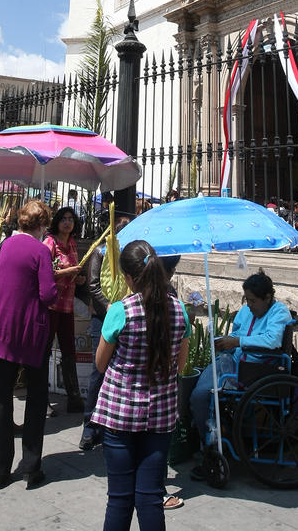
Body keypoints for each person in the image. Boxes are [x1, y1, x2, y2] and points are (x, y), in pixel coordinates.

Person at [90, 240, 190, 531]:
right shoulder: (179, 310)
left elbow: (99, 363)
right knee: (150, 498)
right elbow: (180, 366)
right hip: (160, 415)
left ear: (129, 278)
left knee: (119, 499)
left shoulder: (120, 311)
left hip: (119, 414)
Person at [0, 199, 58, 490]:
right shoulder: (41, 250)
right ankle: (31, 466)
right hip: (31, 332)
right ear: (41, 224)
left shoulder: (5, 246)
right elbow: (48, 294)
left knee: (0, 398)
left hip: (1, 328)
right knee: (36, 400)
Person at [189, 269, 291, 478]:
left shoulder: (279, 312)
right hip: (232, 363)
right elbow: (237, 333)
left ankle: (211, 446)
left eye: (253, 301)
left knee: (204, 396)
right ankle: (209, 442)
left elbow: (272, 340)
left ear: (267, 298)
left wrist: (237, 342)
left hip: (256, 372)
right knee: (197, 393)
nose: (250, 305)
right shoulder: (246, 312)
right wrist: (225, 341)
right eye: (248, 300)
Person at [79, 215, 131, 452]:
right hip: (103, 318)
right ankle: (89, 427)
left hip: (125, 316)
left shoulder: (130, 257)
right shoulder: (100, 252)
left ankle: (112, 425)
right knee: (98, 371)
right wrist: (108, 306)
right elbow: (93, 285)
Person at [46, 206, 86, 413]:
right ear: (57, 222)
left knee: (69, 351)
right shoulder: (49, 243)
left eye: (71, 219)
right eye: (64, 219)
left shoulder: (72, 245)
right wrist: (69, 271)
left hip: (67, 306)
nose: (67, 222)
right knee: (44, 352)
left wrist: (78, 278)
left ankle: (74, 397)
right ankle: (41, 398)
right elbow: (44, 273)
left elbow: (71, 274)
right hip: (51, 305)